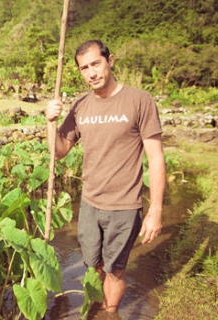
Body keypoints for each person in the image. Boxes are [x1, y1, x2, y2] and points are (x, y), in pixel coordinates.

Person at [46, 40, 166, 314]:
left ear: (109, 61)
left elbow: (156, 157)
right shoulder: (80, 105)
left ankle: (109, 313)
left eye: (95, 64)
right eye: (84, 68)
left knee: (115, 270)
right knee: (93, 265)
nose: (91, 73)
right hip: (89, 204)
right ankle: (96, 307)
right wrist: (49, 123)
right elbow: (61, 151)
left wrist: (155, 210)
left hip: (124, 206)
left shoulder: (139, 101)